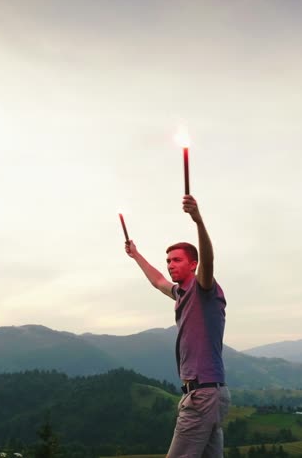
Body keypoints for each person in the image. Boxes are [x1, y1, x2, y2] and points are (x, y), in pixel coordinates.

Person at [125, 195, 230, 458]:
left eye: (177, 260)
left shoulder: (203, 288)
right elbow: (157, 281)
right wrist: (136, 255)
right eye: (169, 260)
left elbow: (208, 261)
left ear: (192, 264)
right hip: (211, 393)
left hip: (202, 395)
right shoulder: (181, 294)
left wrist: (198, 220)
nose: (170, 265)